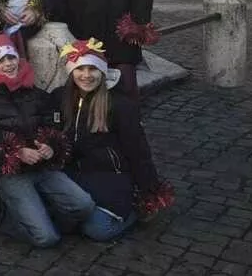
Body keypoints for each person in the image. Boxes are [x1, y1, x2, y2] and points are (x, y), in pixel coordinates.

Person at [0, 30, 93, 247]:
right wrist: (15, 153)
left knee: (85, 206)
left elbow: (54, 126)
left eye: (11, 57)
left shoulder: (37, 94)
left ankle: (39, 211)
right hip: (9, 171)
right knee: (46, 238)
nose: (8, 64)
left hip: (42, 166)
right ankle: (10, 218)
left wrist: (51, 146)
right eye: (0, 60)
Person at [53, 39, 173, 242]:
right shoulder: (60, 98)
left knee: (97, 230)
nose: (86, 75)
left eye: (93, 69)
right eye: (80, 69)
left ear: (102, 72)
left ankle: (133, 211)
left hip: (112, 176)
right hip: (76, 175)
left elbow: (138, 150)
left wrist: (149, 190)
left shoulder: (120, 104)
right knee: (63, 224)